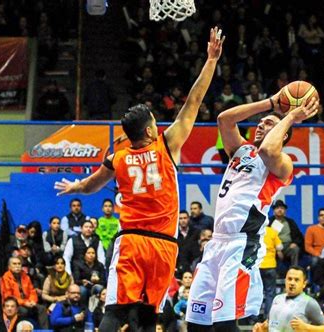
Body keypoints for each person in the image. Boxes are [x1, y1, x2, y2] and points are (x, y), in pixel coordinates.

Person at [54, 27, 225, 332]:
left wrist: (75, 187)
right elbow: (194, 101)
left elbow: (92, 184)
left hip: (132, 240)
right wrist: (211, 59)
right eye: (154, 123)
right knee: (148, 316)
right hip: (163, 244)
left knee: (116, 311)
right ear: (148, 131)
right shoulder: (166, 146)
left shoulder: (118, 158)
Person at [186, 84, 319, 329]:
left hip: (242, 243)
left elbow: (269, 149)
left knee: (224, 323)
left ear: (283, 134)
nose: (260, 124)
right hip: (216, 243)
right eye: (261, 122)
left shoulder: (283, 163)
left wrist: (289, 116)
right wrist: (271, 103)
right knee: (196, 322)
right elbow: (224, 119)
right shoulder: (242, 150)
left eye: (268, 123)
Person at [253, 266, 324, 332]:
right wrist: (261, 328)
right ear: (285, 280)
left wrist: (306, 327)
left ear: (304, 284)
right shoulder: (277, 299)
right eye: (289, 279)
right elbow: (270, 323)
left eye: (296, 280)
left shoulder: (309, 303)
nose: (292, 283)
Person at [0, 257, 49, 329]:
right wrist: (24, 303)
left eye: (19, 264)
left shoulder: (25, 276)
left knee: (42, 309)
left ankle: (45, 331)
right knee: (24, 311)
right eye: (14, 264)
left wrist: (32, 301)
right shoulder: (5, 278)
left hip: (28, 303)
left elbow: (32, 291)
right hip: (14, 304)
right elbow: (9, 297)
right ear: (9, 266)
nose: (17, 266)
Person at [268, 199, 303, 267]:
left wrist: (295, 243)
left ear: (285, 211)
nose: (280, 210)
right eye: (277, 208)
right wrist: (277, 249)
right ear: (274, 211)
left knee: (295, 249)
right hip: (273, 247)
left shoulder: (290, 222)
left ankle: (294, 269)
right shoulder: (269, 222)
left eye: (282, 208)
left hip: (288, 246)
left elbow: (298, 235)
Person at [259, 225, 283, 317]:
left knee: (257, 292)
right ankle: (267, 316)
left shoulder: (255, 230)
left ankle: (254, 317)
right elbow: (280, 247)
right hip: (270, 265)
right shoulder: (272, 231)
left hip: (258, 266)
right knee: (270, 293)